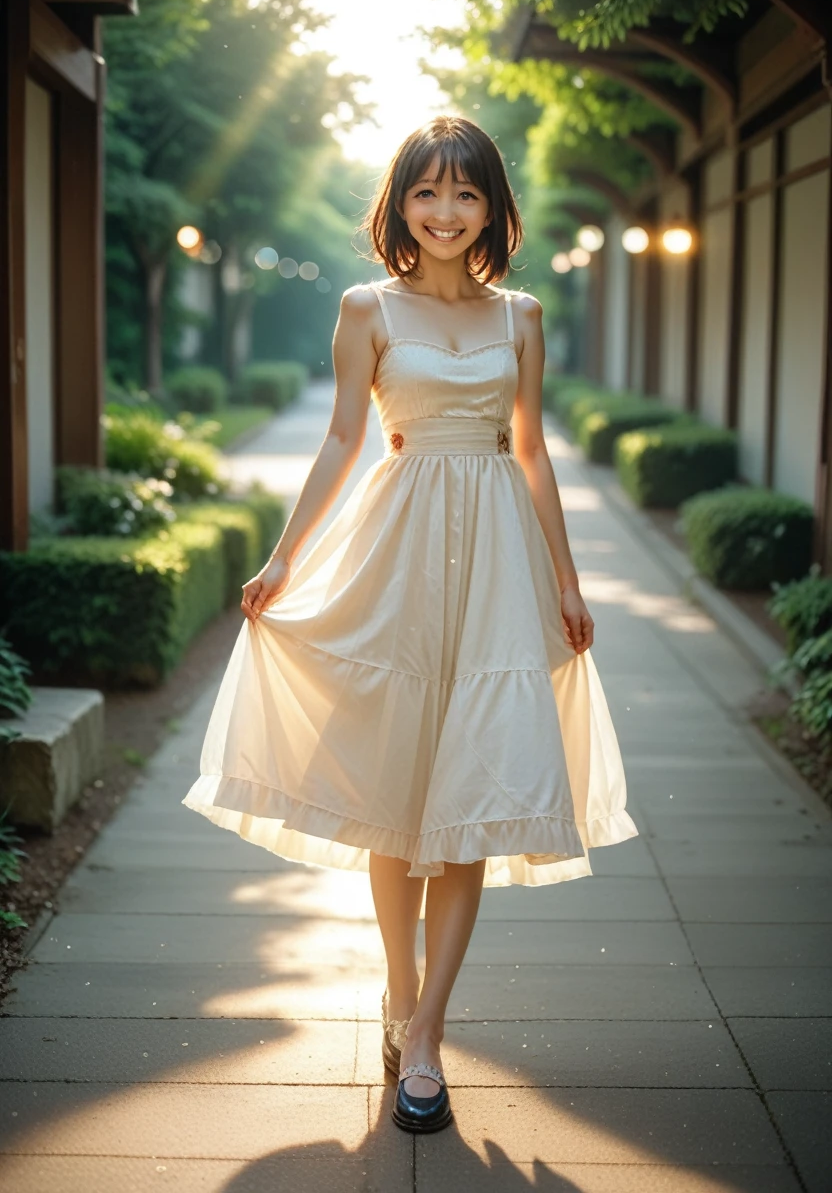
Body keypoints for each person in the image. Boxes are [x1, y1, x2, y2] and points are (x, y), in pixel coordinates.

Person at [182, 115, 638, 1134]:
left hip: (496, 562)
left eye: (465, 194)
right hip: (394, 551)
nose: (444, 212)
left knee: (475, 787)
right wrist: (282, 555)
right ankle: (400, 995)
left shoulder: (520, 315)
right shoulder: (366, 307)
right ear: (399, 205)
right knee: (394, 788)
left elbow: (531, 451)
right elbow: (346, 434)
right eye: (426, 193)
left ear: (491, 210)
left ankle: (428, 1028)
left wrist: (566, 580)